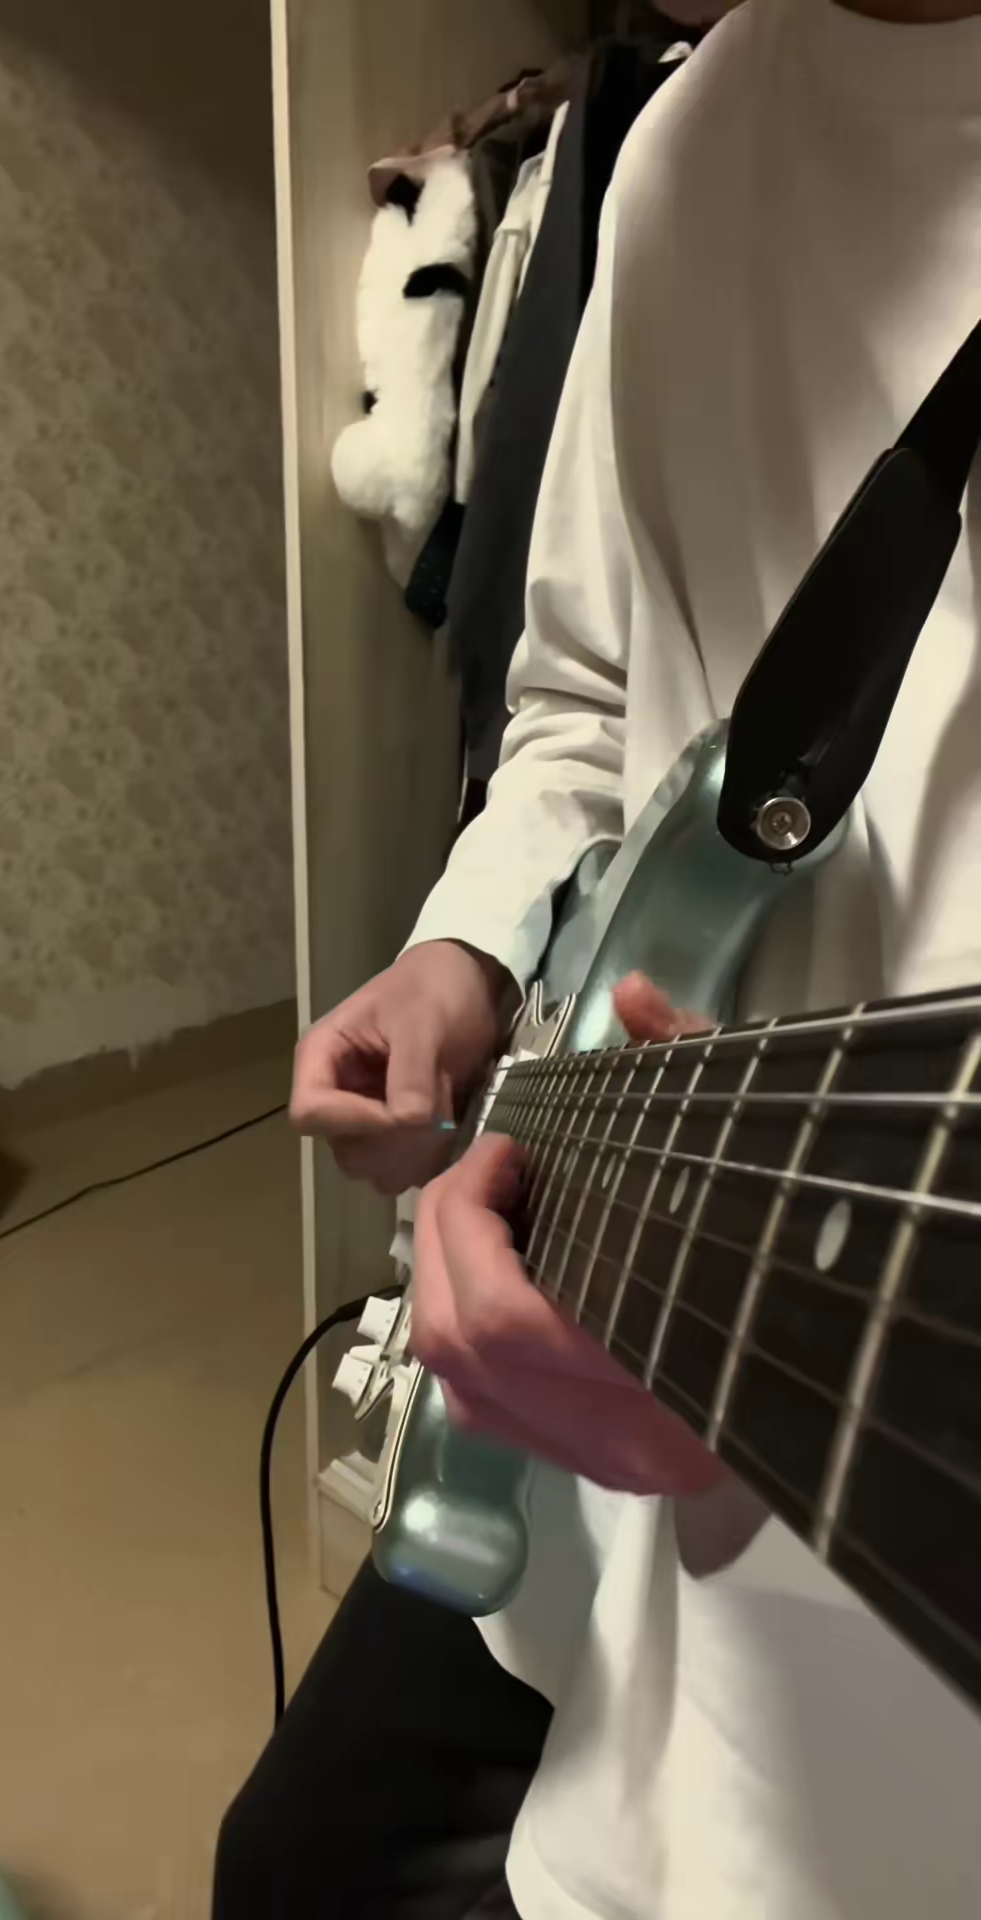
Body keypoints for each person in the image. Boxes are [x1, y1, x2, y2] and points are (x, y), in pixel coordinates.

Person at [213, 1, 981, 1915]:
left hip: (887, 1612)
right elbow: (587, 686)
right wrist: (469, 950)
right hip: (597, 1345)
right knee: (292, 1865)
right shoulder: (687, 138)